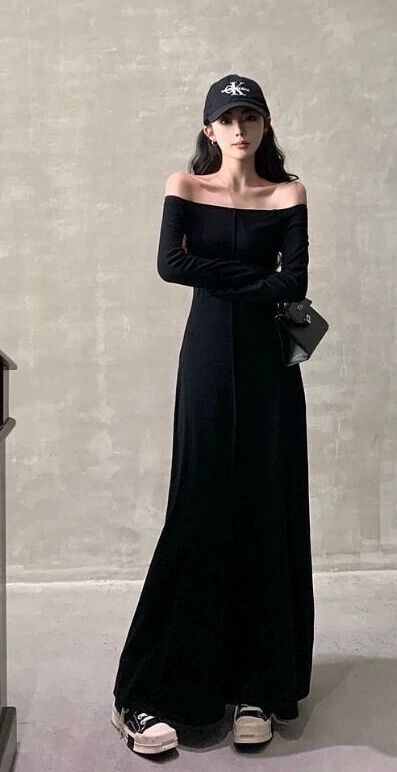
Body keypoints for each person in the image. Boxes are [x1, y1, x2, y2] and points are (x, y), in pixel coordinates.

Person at [111, 73, 314, 756]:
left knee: (264, 509)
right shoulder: (184, 186)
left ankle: (257, 686)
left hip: (269, 370)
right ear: (208, 129)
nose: (238, 129)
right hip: (205, 364)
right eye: (226, 119)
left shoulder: (287, 194)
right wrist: (259, 282)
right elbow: (170, 265)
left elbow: (295, 283)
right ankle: (147, 690)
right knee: (198, 509)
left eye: (249, 117)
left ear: (265, 125)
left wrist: (222, 272)